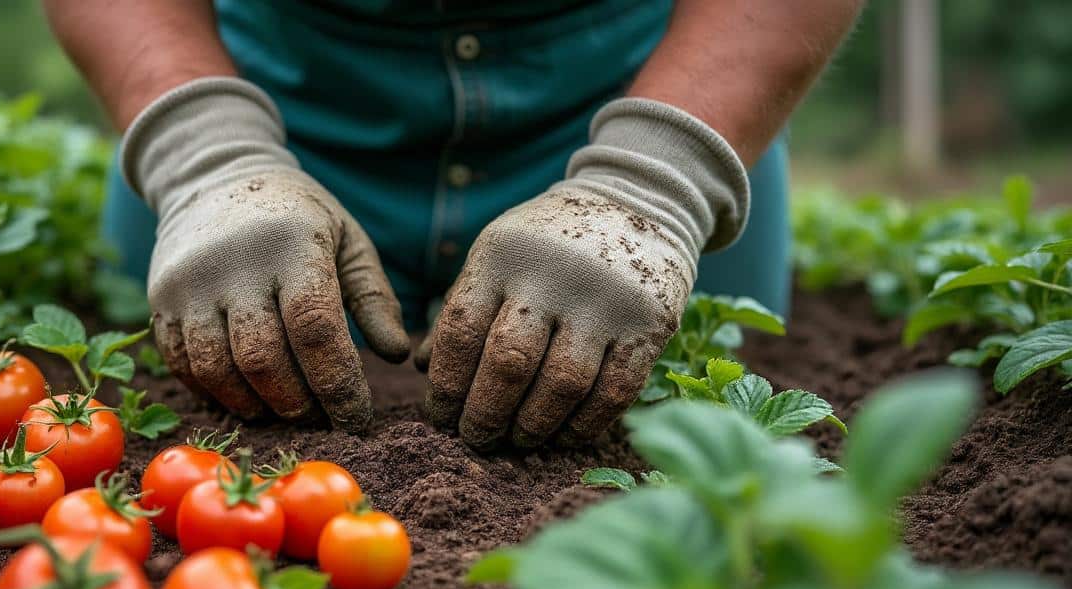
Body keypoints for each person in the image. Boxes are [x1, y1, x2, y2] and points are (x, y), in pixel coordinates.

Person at [44, 0, 863, 447]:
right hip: (260, 92)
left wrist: (655, 183)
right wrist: (204, 158)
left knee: (711, 427)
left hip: (665, 84)